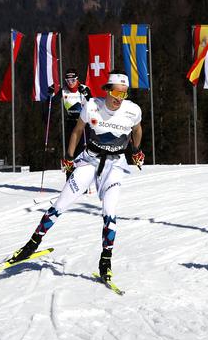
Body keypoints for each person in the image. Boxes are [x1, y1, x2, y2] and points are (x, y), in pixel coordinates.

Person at [9, 70, 145, 283]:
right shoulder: (92, 105)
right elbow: (77, 130)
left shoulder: (132, 110)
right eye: (117, 93)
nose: (120, 99)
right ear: (108, 90)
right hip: (89, 160)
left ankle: (105, 261)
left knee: (109, 212)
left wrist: (136, 150)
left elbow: (137, 129)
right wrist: (69, 157)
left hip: (115, 165)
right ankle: (31, 245)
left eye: (124, 94)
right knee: (61, 204)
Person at [47, 69, 92, 157]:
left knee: (82, 148)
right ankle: (70, 167)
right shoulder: (64, 90)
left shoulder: (84, 88)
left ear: (77, 79)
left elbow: (92, 103)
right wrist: (51, 93)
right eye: (68, 81)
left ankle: (83, 167)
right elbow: (53, 101)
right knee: (70, 148)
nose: (70, 83)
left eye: (73, 80)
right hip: (71, 122)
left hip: (83, 123)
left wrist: (86, 94)